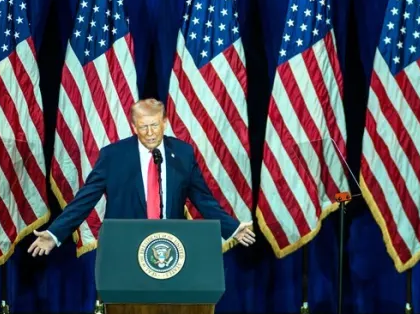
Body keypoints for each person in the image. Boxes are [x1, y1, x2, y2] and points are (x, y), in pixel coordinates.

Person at [27, 98, 257, 256]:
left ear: (164, 122)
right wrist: (55, 233)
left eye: (155, 125)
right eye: (143, 127)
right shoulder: (113, 156)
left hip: (170, 247)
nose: (150, 133)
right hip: (125, 247)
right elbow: (84, 199)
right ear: (134, 127)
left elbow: (203, 199)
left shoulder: (183, 153)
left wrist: (232, 228)